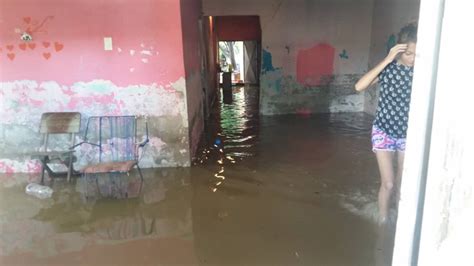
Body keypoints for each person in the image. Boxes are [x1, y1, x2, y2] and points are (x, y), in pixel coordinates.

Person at [354, 23, 417, 224]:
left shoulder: (422, 73)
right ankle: (382, 222)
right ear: (399, 50)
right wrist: (388, 59)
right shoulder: (389, 69)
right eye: (408, 54)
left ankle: (398, 222)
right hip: (384, 132)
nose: (413, 59)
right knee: (388, 184)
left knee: (402, 183)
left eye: (417, 55)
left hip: (408, 135)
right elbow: (359, 86)